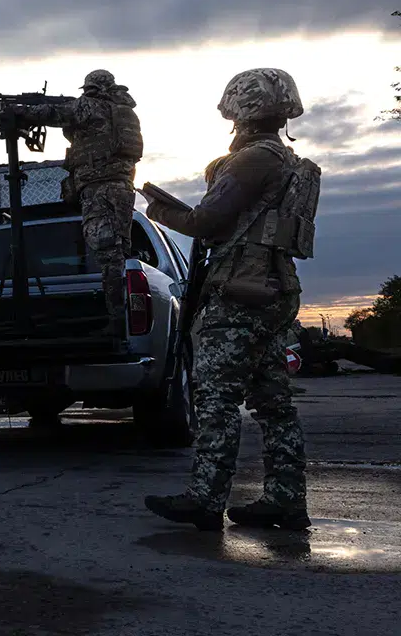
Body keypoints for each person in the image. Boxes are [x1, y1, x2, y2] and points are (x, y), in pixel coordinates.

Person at [142, 68, 314, 531]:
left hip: (239, 291)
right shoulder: (290, 162)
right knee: (274, 401)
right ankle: (286, 499)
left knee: (216, 397)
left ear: (242, 108)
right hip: (275, 288)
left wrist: (156, 207)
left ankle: (206, 497)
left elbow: (206, 222)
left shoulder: (253, 160)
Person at [6, 69, 144, 336]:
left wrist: (19, 109)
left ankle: (116, 324)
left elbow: (53, 114)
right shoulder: (122, 111)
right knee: (118, 251)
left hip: (98, 187)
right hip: (121, 186)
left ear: (91, 88)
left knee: (107, 253)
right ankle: (123, 320)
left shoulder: (90, 106)